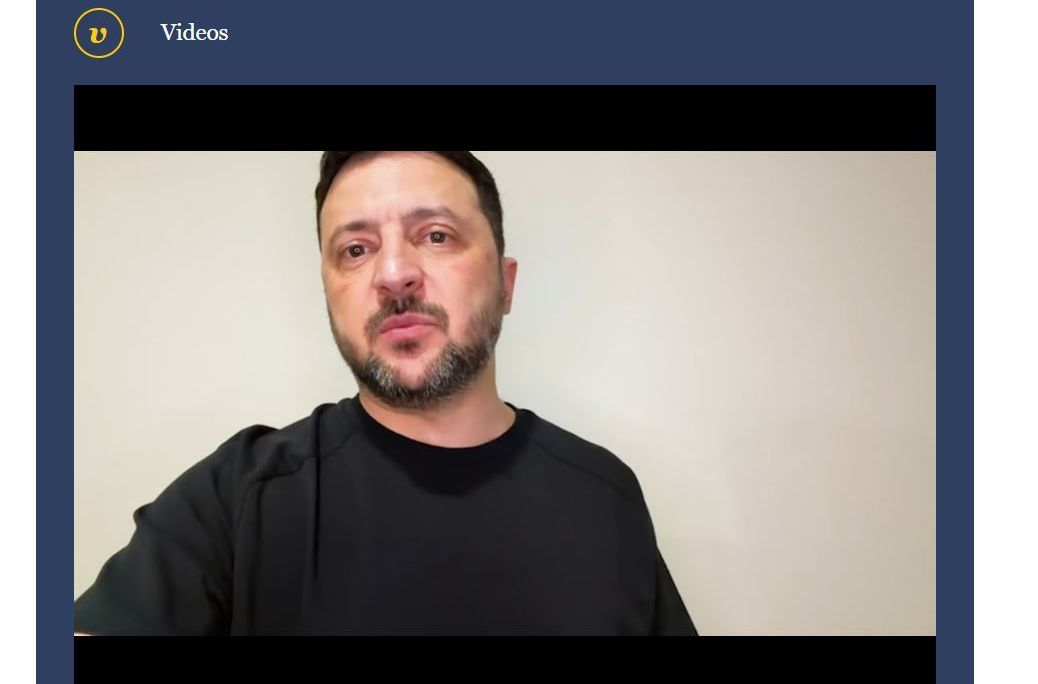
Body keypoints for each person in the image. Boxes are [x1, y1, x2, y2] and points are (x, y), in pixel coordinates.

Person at [73, 150, 698, 636]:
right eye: (356, 249)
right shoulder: (239, 496)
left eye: (436, 235)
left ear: (506, 284)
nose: (394, 274)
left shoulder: (604, 497)